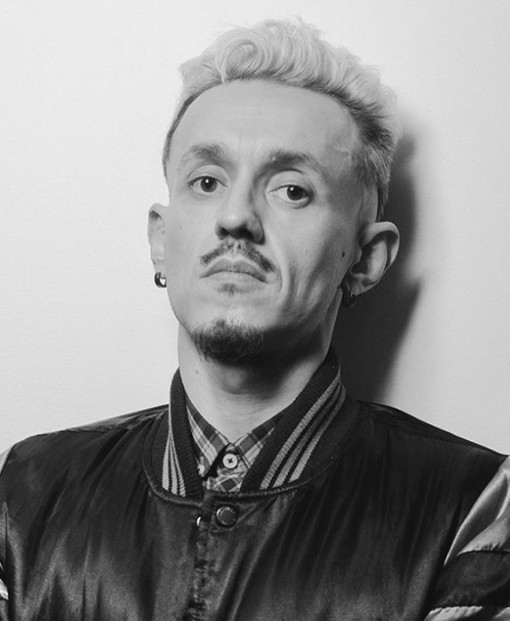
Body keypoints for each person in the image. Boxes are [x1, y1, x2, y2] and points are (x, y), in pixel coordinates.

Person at [0, 17, 509, 621]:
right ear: (161, 240)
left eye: (292, 190)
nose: (236, 216)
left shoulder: (474, 509)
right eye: (206, 181)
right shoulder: (24, 494)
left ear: (366, 259)